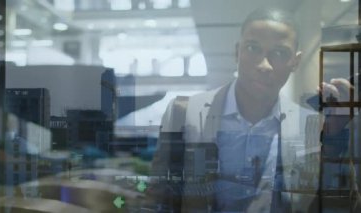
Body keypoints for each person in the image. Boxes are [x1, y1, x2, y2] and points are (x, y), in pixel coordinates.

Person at [150, 7, 351, 213]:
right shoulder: (184, 113)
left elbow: (335, 203)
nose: (264, 65)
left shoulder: (311, 126)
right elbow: (159, 197)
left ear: (296, 62)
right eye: (253, 48)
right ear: (237, 52)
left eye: (280, 53)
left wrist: (337, 140)